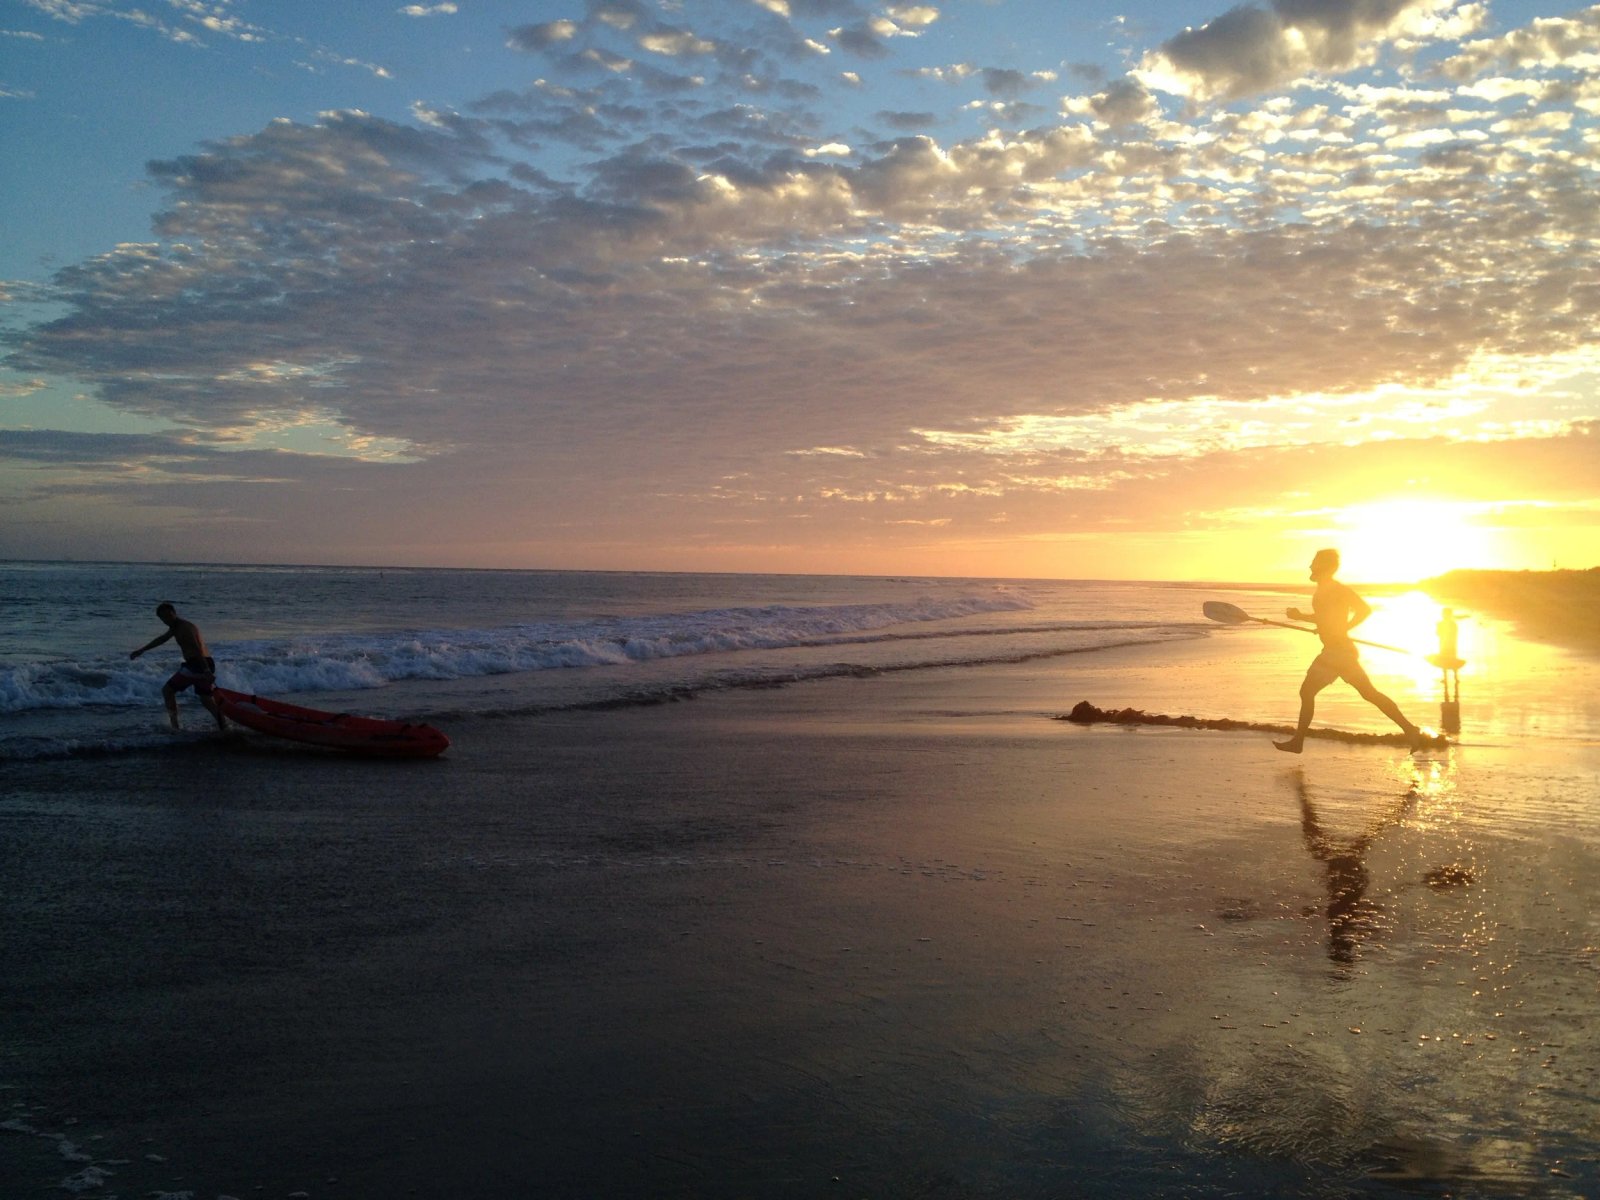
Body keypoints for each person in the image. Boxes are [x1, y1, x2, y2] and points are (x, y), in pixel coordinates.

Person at [1273, 549, 1427, 754]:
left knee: (1308, 692)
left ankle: (1298, 742)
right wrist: (1307, 619)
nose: (1310, 566)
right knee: (1369, 694)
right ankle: (1410, 730)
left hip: (1336, 653)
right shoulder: (1326, 589)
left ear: (1324, 566)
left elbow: (1364, 610)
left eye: (1314, 562)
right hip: (1341, 652)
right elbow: (1327, 618)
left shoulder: (1335, 589)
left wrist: (1342, 627)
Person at [130, 602, 227, 732]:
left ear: (174, 613)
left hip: (197, 665)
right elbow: (162, 639)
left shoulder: (185, 628)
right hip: (202, 664)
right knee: (206, 700)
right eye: (163, 618)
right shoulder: (175, 626)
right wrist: (142, 650)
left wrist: (206, 671)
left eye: (169, 615)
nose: (167, 619)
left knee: (167, 691)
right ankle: (224, 727)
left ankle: (175, 727)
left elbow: (197, 649)